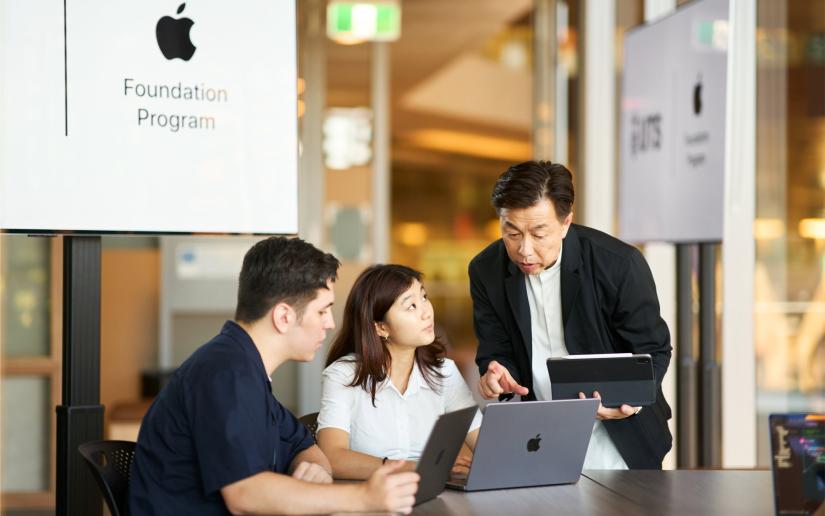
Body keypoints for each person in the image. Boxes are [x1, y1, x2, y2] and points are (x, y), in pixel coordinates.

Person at [130, 237, 419, 515]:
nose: (330, 324)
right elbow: (245, 494)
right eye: (322, 311)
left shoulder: (248, 371)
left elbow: (305, 447)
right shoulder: (225, 374)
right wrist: (364, 498)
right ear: (283, 317)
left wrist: (314, 470)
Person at [469, 160, 673, 469]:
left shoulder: (618, 264)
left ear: (566, 223)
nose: (524, 250)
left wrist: (630, 401)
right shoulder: (486, 270)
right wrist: (496, 372)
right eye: (511, 233)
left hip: (622, 436)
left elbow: (654, 349)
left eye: (539, 234)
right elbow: (495, 349)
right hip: (540, 435)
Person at [316, 264, 481, 479]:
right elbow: (332, 458)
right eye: (411, 306)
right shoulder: (343, 375)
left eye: (424, 297)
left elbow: (485, 445)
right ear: (380, 327)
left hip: (430, 497)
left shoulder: (443, 372)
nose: (426, 312)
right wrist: (421, 467)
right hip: (365, 499)